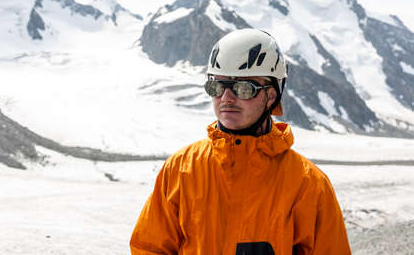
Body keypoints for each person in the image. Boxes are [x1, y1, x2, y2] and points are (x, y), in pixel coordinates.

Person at [130, 28, 351, 254]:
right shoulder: (181, 169)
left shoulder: (308, 185)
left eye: (243, 88)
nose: (226, 98)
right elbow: (149, 248)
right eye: (217, 86)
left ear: (271, 96)